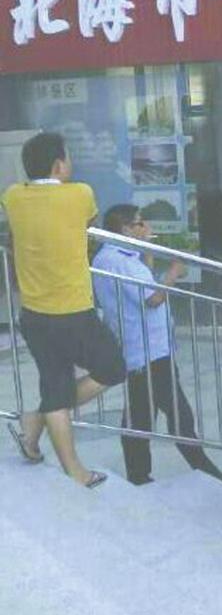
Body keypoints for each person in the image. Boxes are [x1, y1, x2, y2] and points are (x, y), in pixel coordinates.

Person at [1, 132, 126, 488]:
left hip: (33, 314)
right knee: (112, 367)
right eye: (69, 157)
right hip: (73, 310)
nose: (72, 163)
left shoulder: (12, 196)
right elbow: (88, 224)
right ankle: (71, 466)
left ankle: (34, 432)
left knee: (55, 384)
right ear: (58, 165)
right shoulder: (80, 193)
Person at [92, 204, 222, 488]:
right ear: (126, 229)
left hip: (144, 349)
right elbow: (152, 299)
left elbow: (140, 288)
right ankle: (203, 470)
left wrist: (147, 254)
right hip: (148, 351)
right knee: (177, 413)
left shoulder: (114, 256)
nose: (147, 228)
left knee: (140, 414)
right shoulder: (119, 261)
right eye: (141, 223)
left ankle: (139, 474)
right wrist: (173, 273)